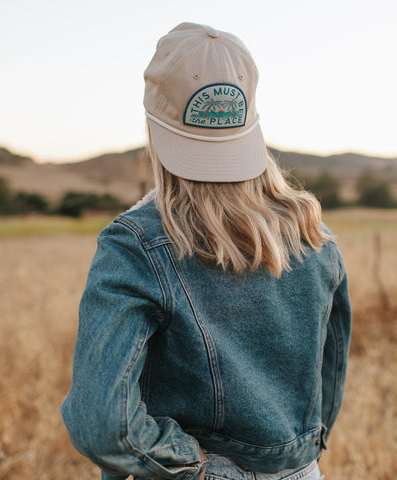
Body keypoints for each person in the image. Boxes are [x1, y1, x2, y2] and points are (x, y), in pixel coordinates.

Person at [61, 22, 351, 480]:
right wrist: (296, 456)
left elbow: (104, 425)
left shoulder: (134, 244)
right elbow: (328, 378)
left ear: (153, 127)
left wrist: (195, 464)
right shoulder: (314, 237)